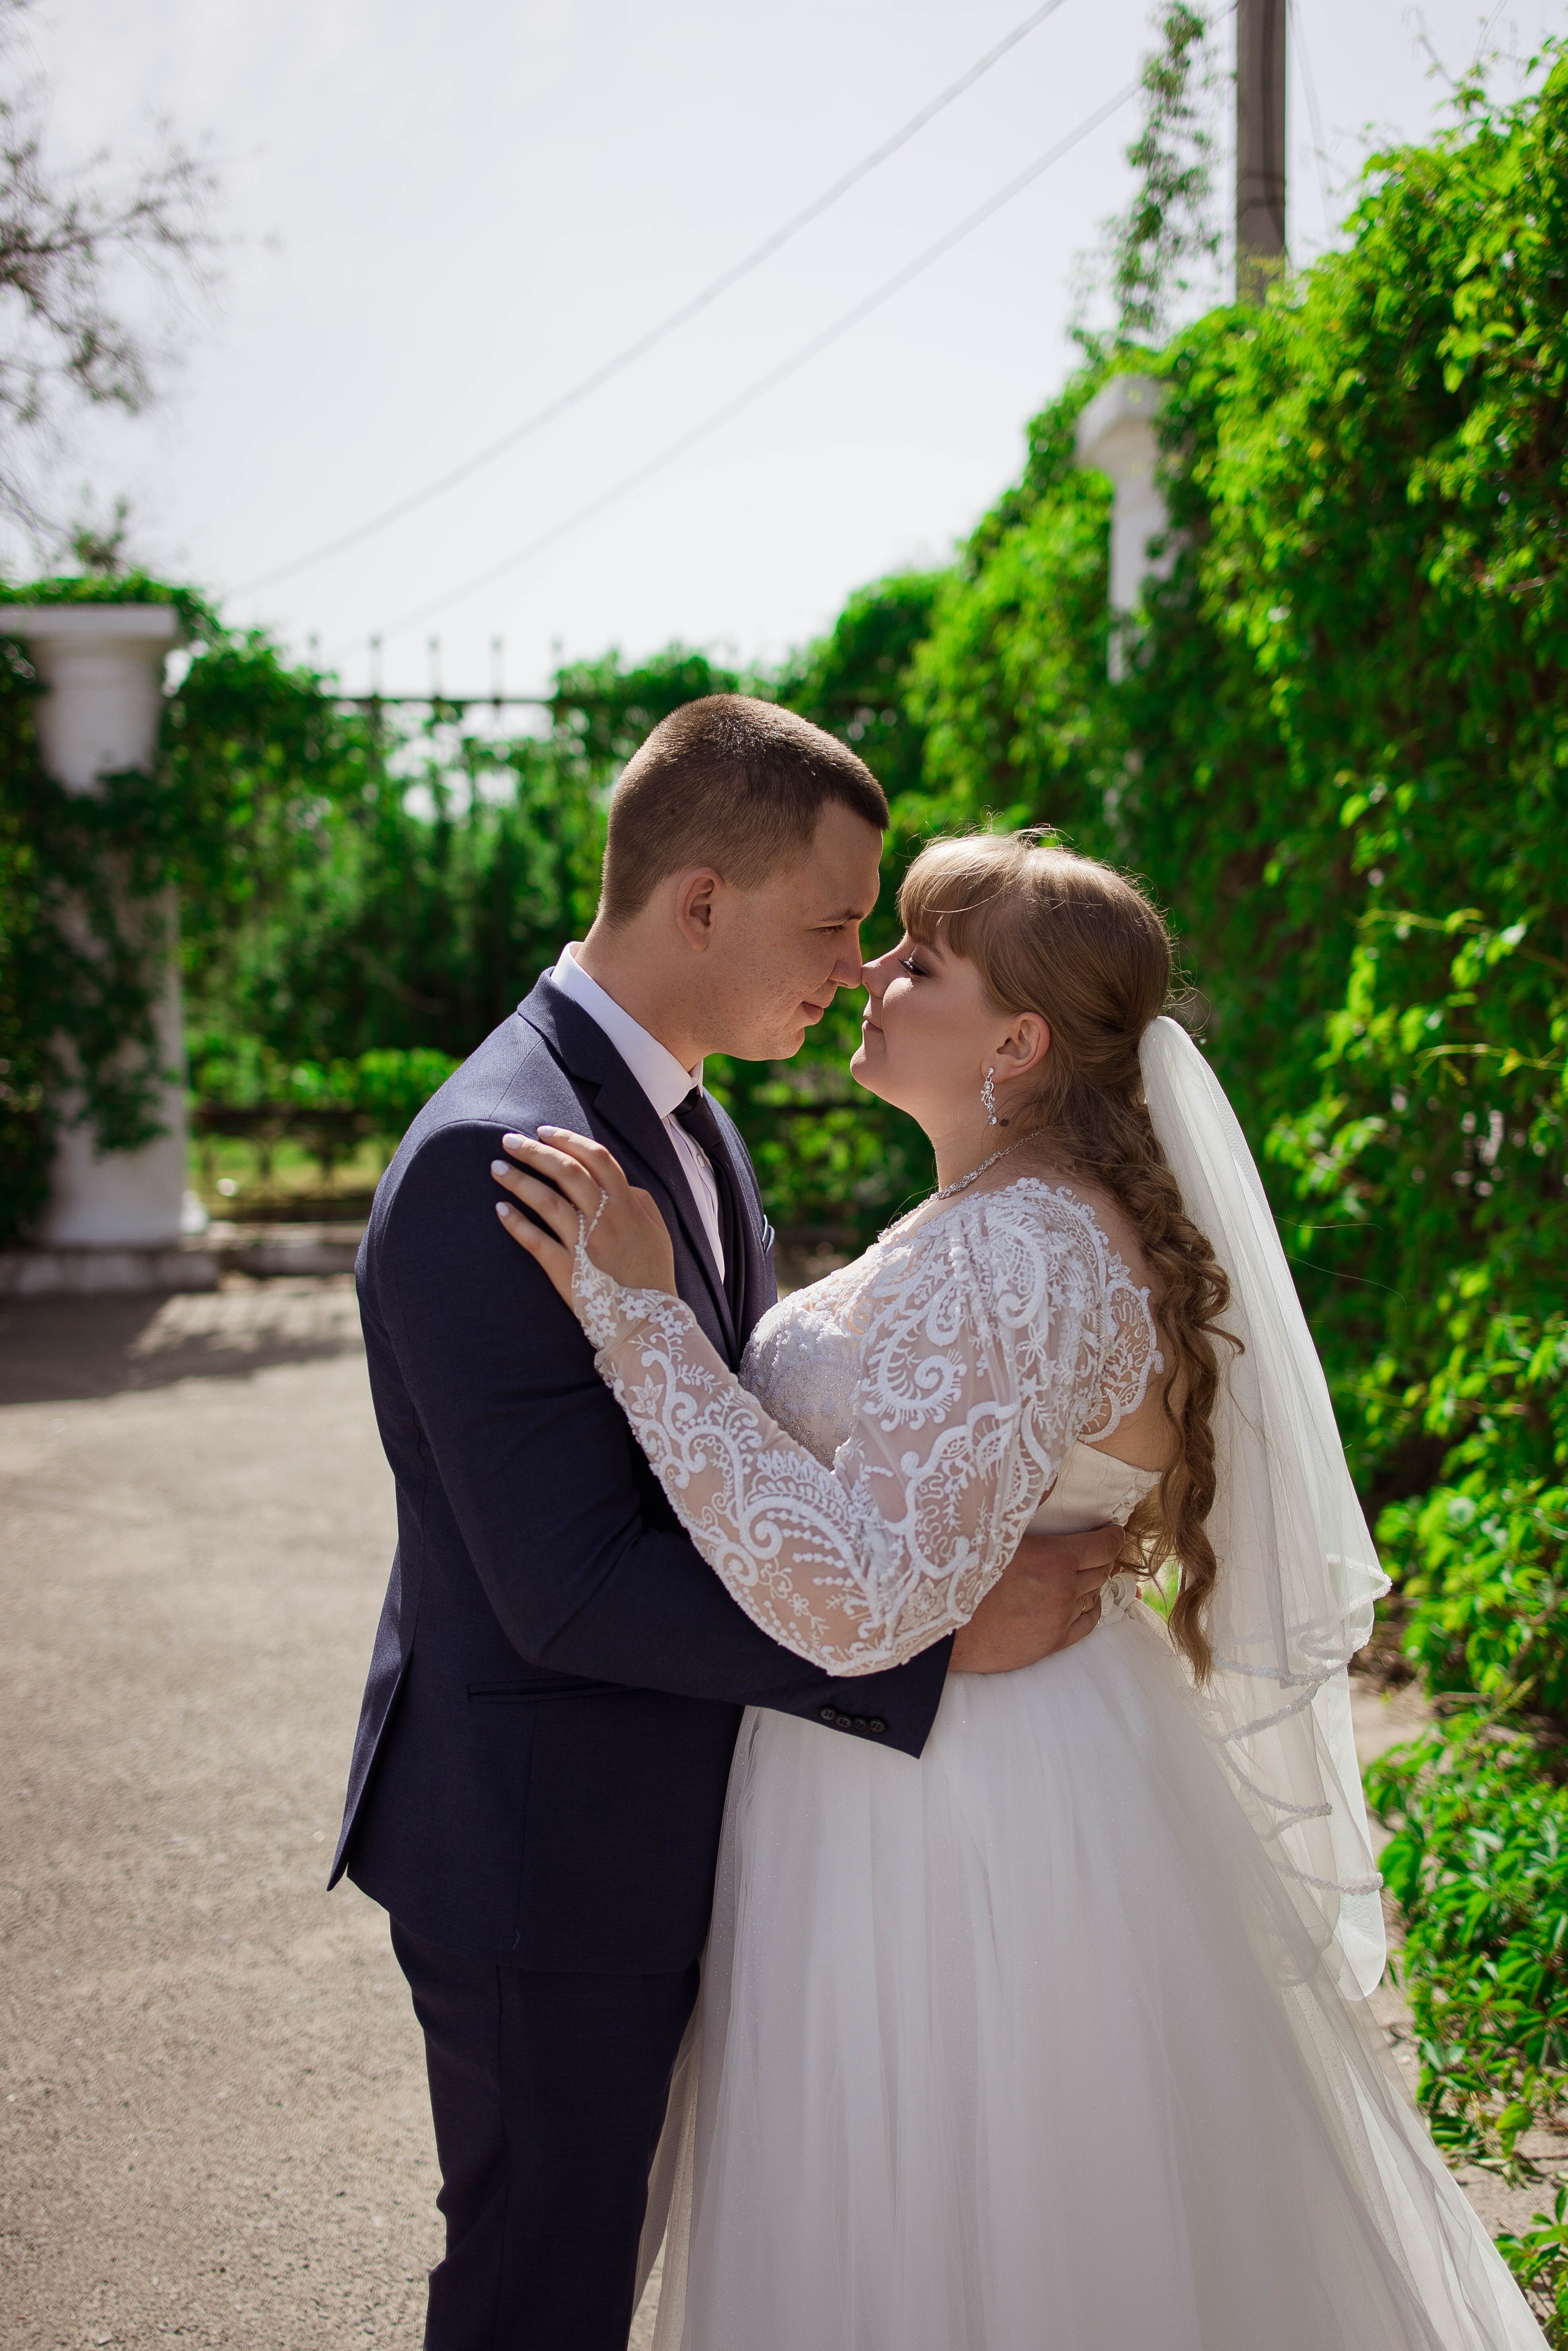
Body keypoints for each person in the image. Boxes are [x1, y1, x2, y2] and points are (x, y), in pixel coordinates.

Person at [495, 830, 1547, 2351]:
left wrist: (638, 1319)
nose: (870, 970)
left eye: (918, 959)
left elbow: (865, 1598)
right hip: (966, 1759)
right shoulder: (1004, 1219)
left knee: (963, 2200)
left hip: (953, 1811)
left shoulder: (1019, 1251)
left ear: (1018, 1039)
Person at [330, 701, 1117, 2351]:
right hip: (553, 1851)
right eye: (837, 921)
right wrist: (931, 1639)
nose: (856, 966)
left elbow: (737, 1446)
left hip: (700, 1816)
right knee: (542, 2288)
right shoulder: (504, 1156)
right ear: (703, 901)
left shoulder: (685, 1114)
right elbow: (569, 1583)